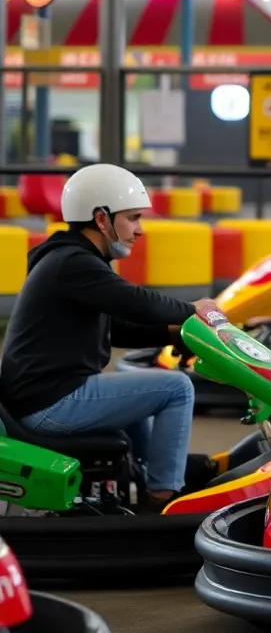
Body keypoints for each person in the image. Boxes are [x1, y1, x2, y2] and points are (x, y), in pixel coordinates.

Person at [0, 164, 218, 513]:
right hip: (48, 404)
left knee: (140, 388)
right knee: (177, 388)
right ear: (102, 219)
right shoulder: (74, 263)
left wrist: (172, 333)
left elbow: (116, 327)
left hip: (41, 398)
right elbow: (136, 301)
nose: (140, 230)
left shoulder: (70, 260)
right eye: (133, 218)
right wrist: (193, 310)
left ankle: (150, 474)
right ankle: (164, 496)